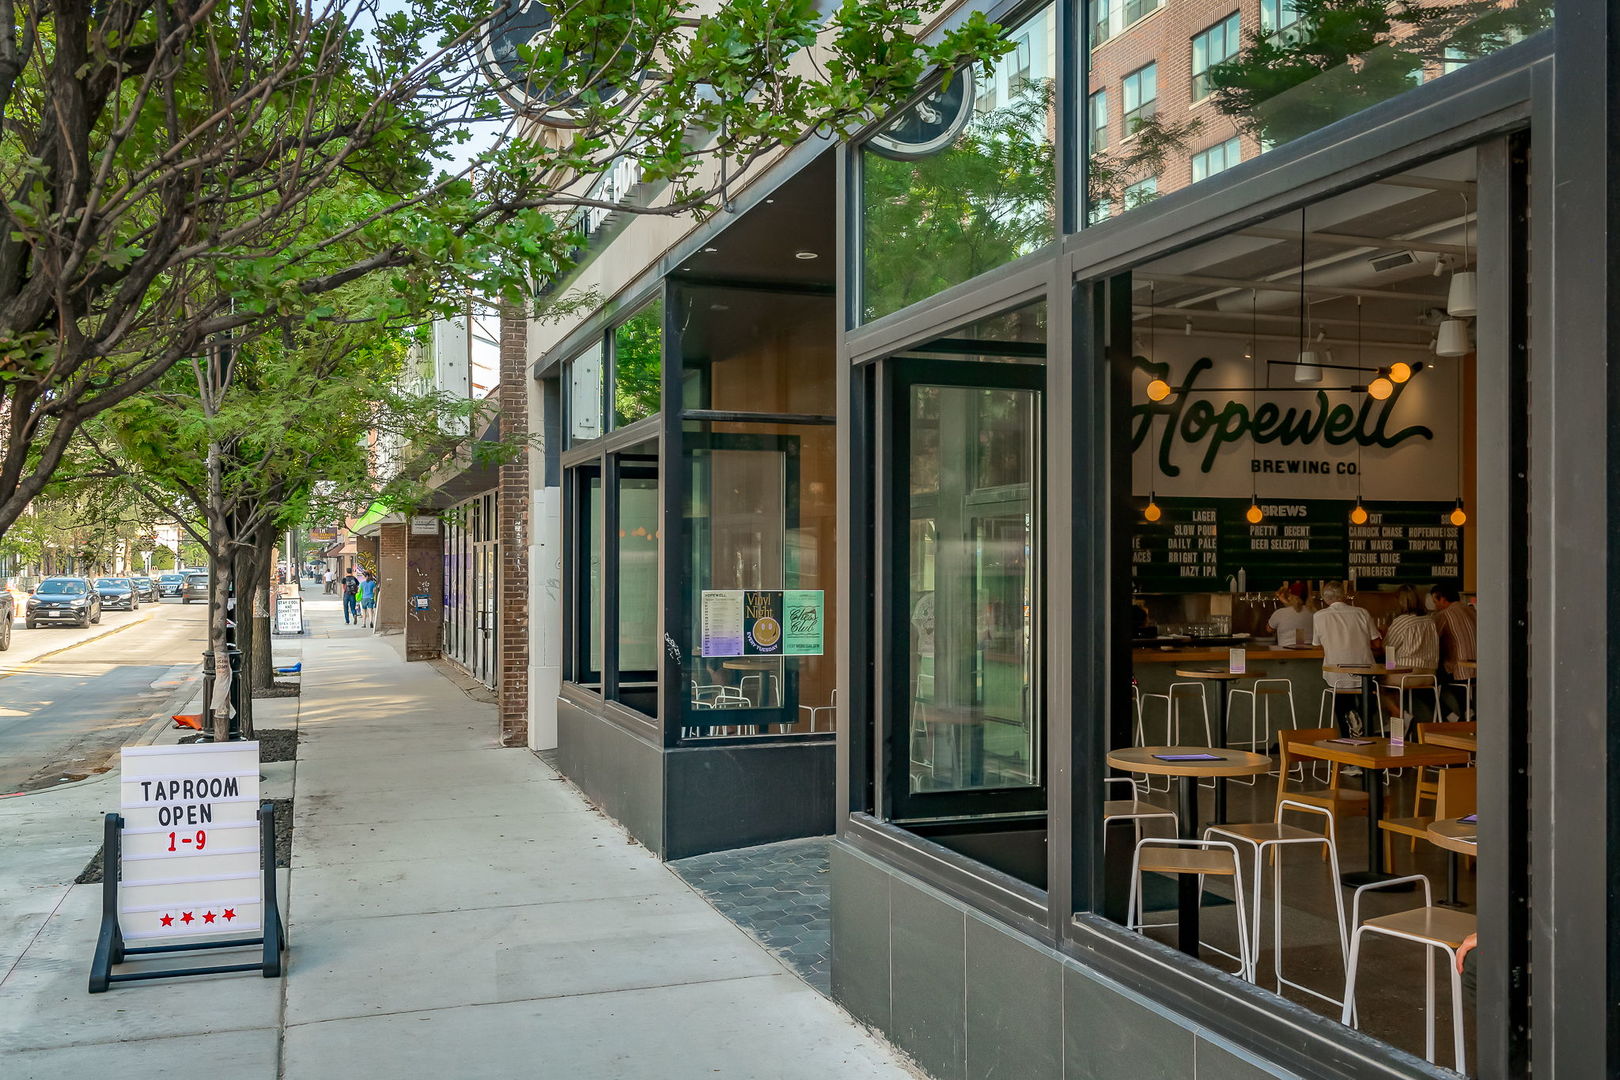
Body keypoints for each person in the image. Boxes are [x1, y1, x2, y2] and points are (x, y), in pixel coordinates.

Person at [1313, 581, 1381, 737]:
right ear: (1343, 596)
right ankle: (1367, 734)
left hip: (1337, 677)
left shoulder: (1319, 616)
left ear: (1324, 598)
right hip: (1365, 675)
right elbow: (1377, 642)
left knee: (1341, 697)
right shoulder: (1362, 612)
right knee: (1367, 697)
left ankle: (1348, 734)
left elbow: (1317, 644)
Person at [1379, 584, 1441, 738]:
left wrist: (1389, 666)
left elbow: (1388, 647)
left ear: (1401, 602)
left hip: (1407, 675)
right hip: (1430, 676)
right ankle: (1399, 729)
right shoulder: (1430, 621)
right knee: (1391, 680)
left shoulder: (1402, 621)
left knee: (1378, 683)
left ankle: (1399, 717)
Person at [1431, 581, 1478, 721]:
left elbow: (1431, 640)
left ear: (1443, 599)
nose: (1435, 605)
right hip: (1480, 668)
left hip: (1461, 671)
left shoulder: (1443, 615)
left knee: (1428, 683)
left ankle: (1450, 716)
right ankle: (1467, 709)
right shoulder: (1471, 610)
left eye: (1435, 601)